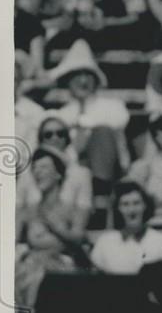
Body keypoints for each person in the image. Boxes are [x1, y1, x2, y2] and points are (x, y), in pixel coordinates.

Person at [51, 39, 130, 197]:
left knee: (102, 133)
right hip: (70, 177)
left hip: (109, 176)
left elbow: (116, 139)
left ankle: (101, 195)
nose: (83, 81)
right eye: (76, 75)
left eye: (87, 75)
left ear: (95, 79)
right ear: (68, 80)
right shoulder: (61, 114)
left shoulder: (113, 107)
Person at [15, 147, 86, 311]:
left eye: (44, 167)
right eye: (35, 168)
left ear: (58, 174)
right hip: (31, 269)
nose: (38, 172)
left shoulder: (70, 209)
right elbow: (11, 242)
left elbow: (79, 240)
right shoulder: (29, 211)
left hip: (62, 270)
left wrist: (56, 227)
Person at [90, 182, 162, 274]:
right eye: (125, 204)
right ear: (118, 209)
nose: (131, 210)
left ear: (145, 206)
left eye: (136, 203)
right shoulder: (105, 241)